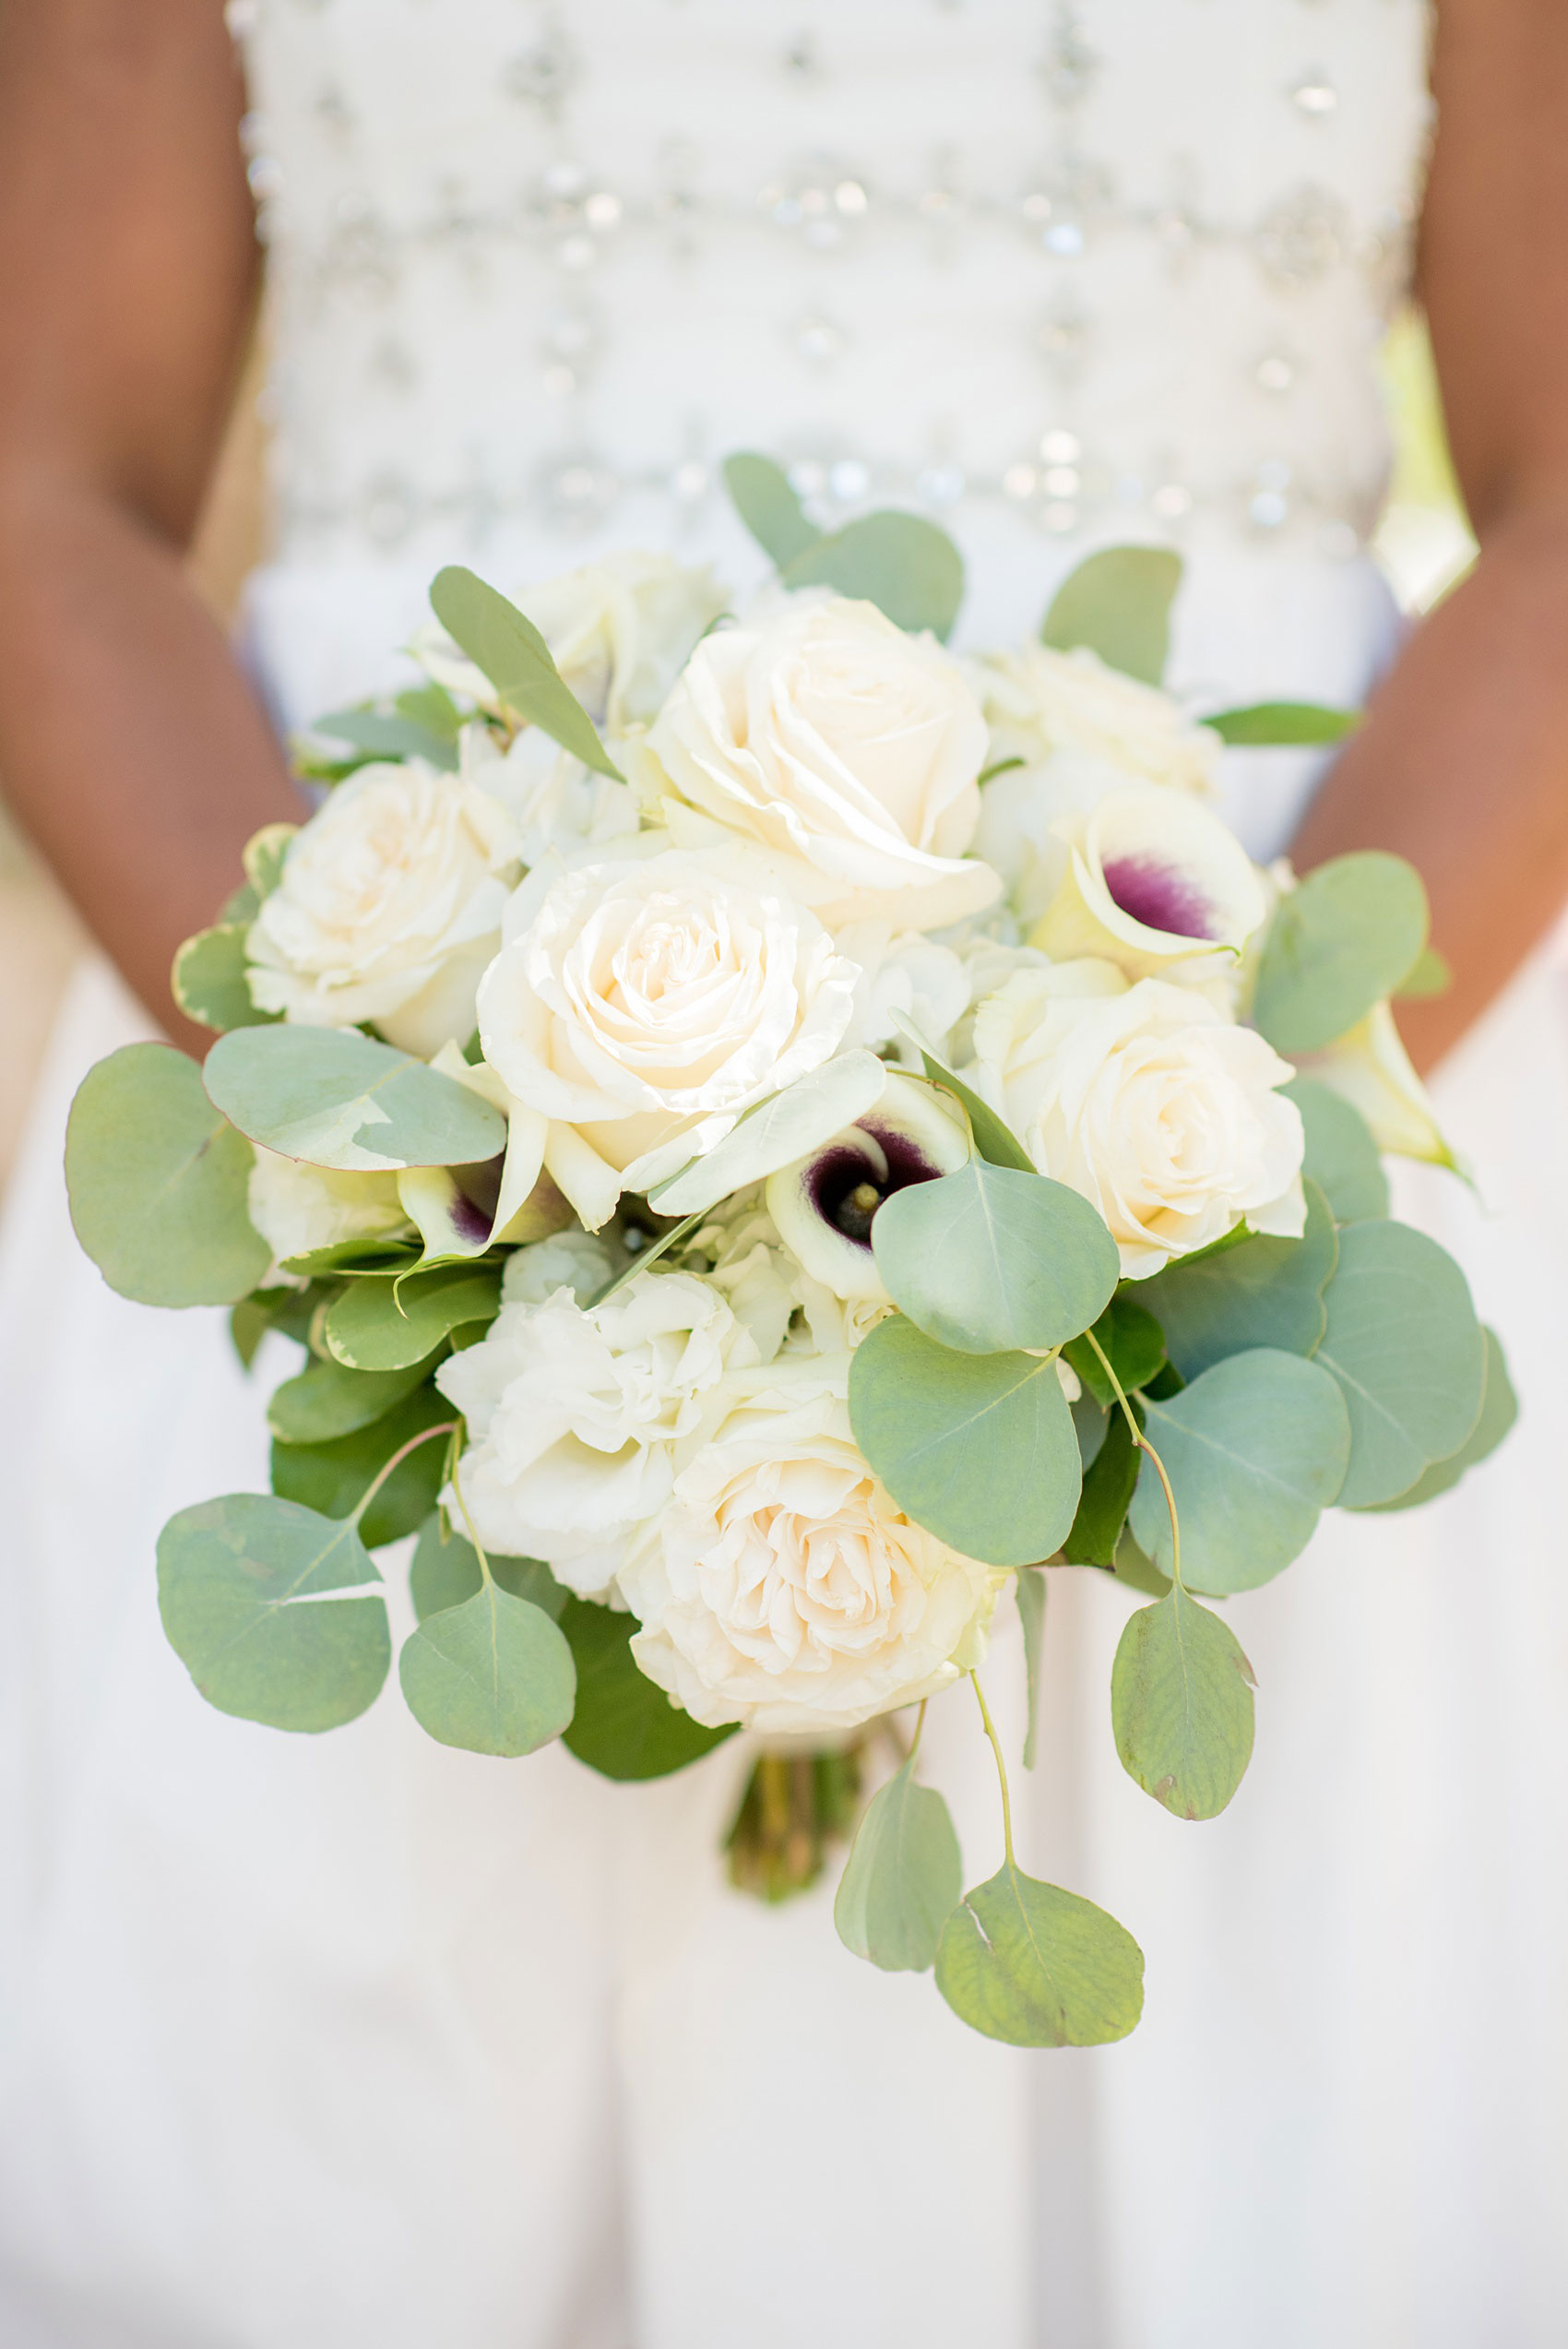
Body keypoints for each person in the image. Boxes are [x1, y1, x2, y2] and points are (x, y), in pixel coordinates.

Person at [0, 4, 1565, 2343]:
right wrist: (404, 1152)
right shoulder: (373, 1143)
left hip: (1274, 1035)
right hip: (373, 1095)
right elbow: (45, 477)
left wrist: (1179, 1188)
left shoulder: (1228, 1174)